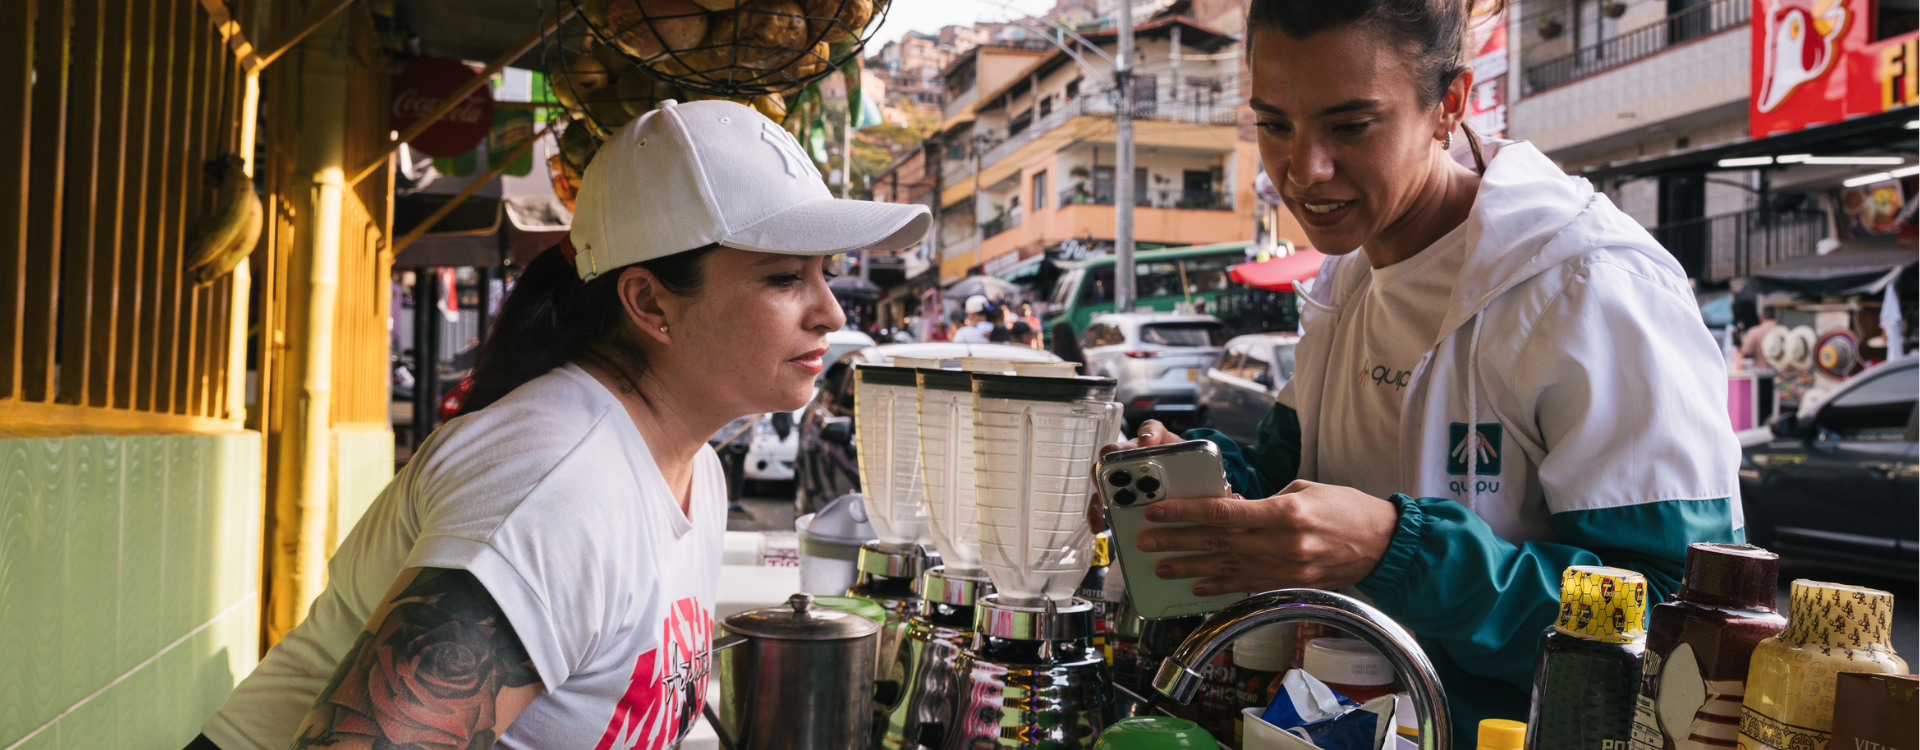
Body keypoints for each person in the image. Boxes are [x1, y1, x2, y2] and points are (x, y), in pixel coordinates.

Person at [190, 100, 931, 750]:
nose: (830, 311)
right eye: (783, 277)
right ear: (649, 304)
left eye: (825, 273)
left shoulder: (692, 468)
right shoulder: (559, 487)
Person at [1092, 0, 1740, 728]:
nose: (1304, 171)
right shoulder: (1347, 278)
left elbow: (1684, 632)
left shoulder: (1590, 287)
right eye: (1275, 124)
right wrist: (1198, 490)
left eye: (1351, 126)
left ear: (1448, 105)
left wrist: (1398, 550)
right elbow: (1288, 481)